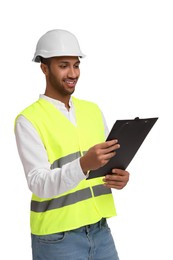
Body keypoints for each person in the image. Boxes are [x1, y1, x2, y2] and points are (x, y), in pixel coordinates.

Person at [14, 29, 130, 260]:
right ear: (44, 68)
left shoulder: (92, 110)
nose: (73, 73)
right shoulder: (28, 120)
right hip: (57, 239)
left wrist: (119, 176)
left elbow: (106, 162)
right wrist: (83, 165)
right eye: (63, 65)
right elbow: (37, 182)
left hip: (100, 231)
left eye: (76, 65)